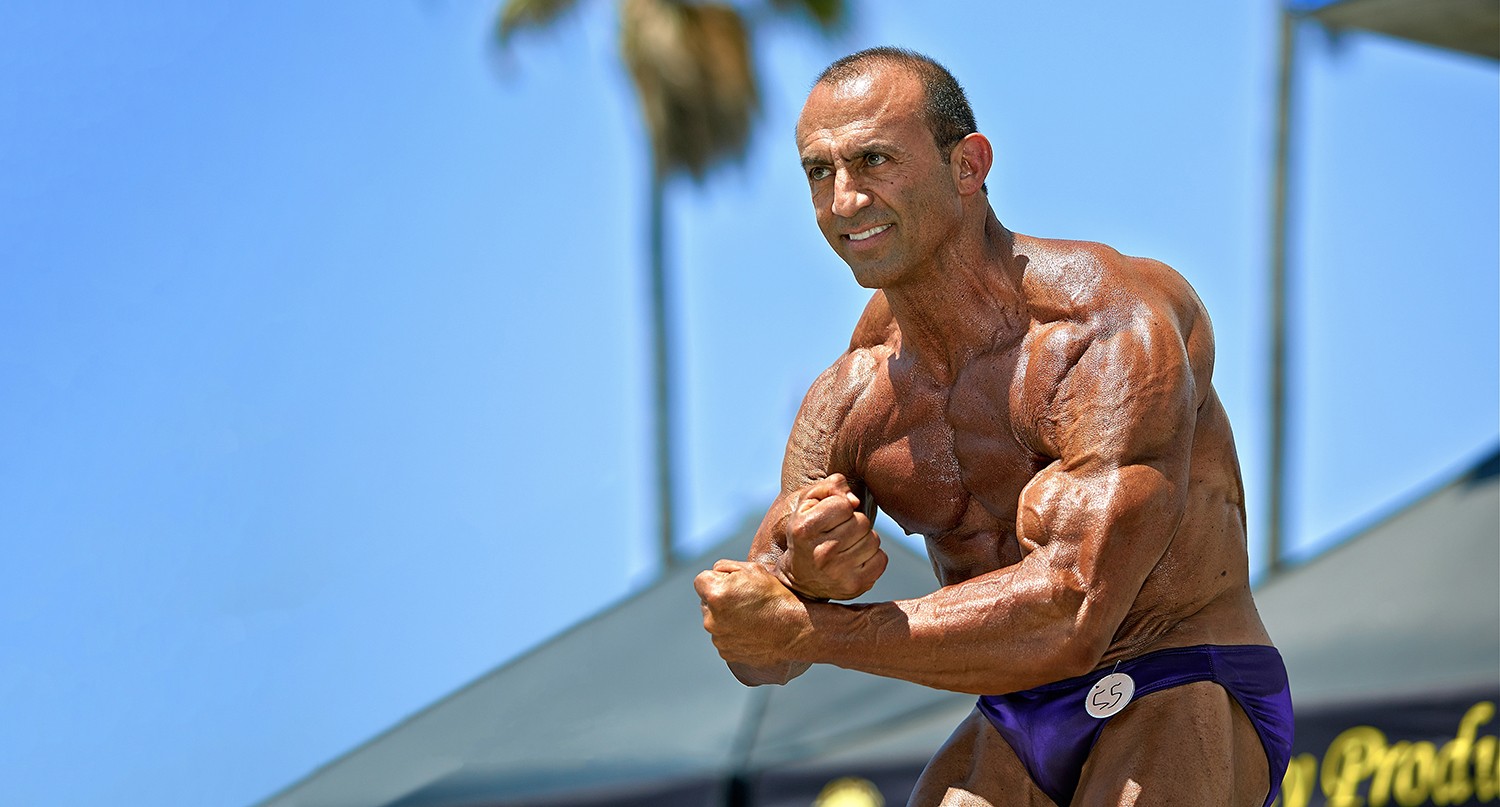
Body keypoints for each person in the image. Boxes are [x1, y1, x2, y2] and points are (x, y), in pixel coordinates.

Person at [693, 47, 1294, 807]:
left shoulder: (1107, 326)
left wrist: (815, 629)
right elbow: (758, 650)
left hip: (1175, 672)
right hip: (1015, 716)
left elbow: (1072, 608)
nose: (844, 199)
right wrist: (802, 580)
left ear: (968, 166)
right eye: (819, 171)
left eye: (874, 160)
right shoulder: (852, 398)